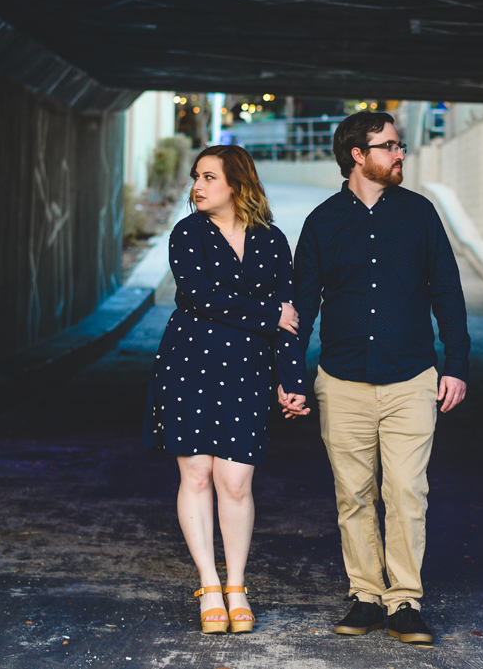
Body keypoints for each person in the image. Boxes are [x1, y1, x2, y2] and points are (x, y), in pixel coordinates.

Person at [287, 111, 470, 645]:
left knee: (407, 491)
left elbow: (447, 293)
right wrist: (291, 376)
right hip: (341, 381)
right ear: (357, 156)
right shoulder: (322, 223)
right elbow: (302, 307)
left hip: (411, 378)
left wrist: (456, 364)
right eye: (388, 146)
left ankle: (405, 600)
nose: (400, 154)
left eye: (400, 145)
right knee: (354, 494)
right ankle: (366, 595)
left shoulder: (420, 215)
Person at [143, 145, 309, 634]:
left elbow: (291, 316)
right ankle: (209, 585)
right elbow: (199, 296)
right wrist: (268, 314)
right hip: (189, 364)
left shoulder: (273, 241)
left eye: (209, 177)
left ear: (236, 183)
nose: (197, 185)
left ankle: (237, 584)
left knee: (235, 483)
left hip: (247, 371)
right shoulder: (187, 233)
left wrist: (292, 382)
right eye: (196, 176)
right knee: (196, 477)